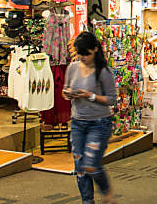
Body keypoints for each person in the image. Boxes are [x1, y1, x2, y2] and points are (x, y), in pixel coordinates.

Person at [63, 32, 118, 204]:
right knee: (79, 166)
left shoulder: (103, 71)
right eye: (80, 54)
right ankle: (87, 201)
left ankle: (107, 193)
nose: (83, 57)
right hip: (78, 122)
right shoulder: (72, 67)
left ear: (95, 49)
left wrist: (90, 96)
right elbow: (66, 89)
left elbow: (111, 99)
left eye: (86, 53)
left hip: (99, 123)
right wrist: (68, 94)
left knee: (91, 164)